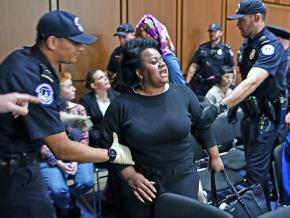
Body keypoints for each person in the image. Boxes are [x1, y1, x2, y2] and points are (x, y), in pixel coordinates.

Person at [0, 10, 134, 218]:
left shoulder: (35, 63)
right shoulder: (31, 74)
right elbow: (62, 148)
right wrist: (115, 154)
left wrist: (82, 123)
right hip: (13, 169)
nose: (81, 48)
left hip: (23, 162)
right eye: (75, 43)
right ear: (53, 41)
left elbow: (54, 113)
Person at [100, 38, 224, 218]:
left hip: (182, 176)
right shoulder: (121, 105)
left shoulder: (183, 93)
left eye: (161, 60)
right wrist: (130, 176)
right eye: (153, 62)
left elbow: (202, 126)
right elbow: (109, 145)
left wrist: (215, 156)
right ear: (139, 72)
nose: (162, 65)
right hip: (142, 183)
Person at [202, 0, 288, 207]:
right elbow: (245, 80)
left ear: (257, 18)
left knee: (254, 175)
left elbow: (253, 81)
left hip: (265, 120)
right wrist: (236, 106)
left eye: (241, 20)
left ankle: (254, 208)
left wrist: (220, 107)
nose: (237, 24)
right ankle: (262, 203)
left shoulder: (270, 46)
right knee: (254, 167)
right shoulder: (248, 44)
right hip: (250, 115)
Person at [39, 72, 95, 217]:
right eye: (69, 86)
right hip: (53, 158)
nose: (75, 89)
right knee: (58, 190)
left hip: (77, 154)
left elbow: (84, 139)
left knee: (87, 182)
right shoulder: (46, 112)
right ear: (58, 91)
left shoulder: (80, 109)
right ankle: (66, 208)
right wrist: (59, 163)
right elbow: (43, 144)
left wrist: (76, 160)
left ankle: (65, 203)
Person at [186, 23, 235, 97]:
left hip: (218, 86)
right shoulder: (202, 48)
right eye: (210, 31)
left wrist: (232, 85)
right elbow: (193, 66)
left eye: (214, 31)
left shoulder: (226, 50)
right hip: (201, 85)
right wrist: (186, 83)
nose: (212, 34)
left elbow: (232, 68)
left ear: (221, 33)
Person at [136, 13, 185, 85]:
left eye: (145, 31)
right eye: (141, 31)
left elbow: (179, 86)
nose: (143, 34)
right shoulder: (142, 51)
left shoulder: (168, 58)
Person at [80, 69, 119, 147]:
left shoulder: (117, 96)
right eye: (101, 77)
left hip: (119, 141)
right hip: (98, 143)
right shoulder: (86, 101)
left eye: (105, 76)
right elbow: (87, 126)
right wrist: (104, 138)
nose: (106, 78)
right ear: (93, 85)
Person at [107, 23, 135, 93]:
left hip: (136, 93)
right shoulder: (117, 51)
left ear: (133, 35)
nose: (121, 40)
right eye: (119, 37)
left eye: (124, 37)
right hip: (118, 92)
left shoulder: (142, 51)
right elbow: (109, 72)